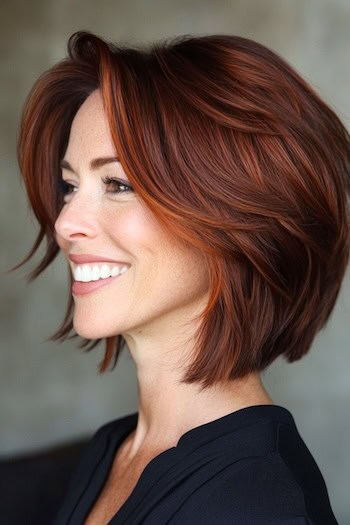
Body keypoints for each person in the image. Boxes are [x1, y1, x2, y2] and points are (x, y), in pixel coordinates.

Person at [13, 30, 349, 524]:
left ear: (234, 218)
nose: (65, 224)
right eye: (70, 185)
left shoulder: (256, 503)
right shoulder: (114, 451)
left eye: (118, 183)